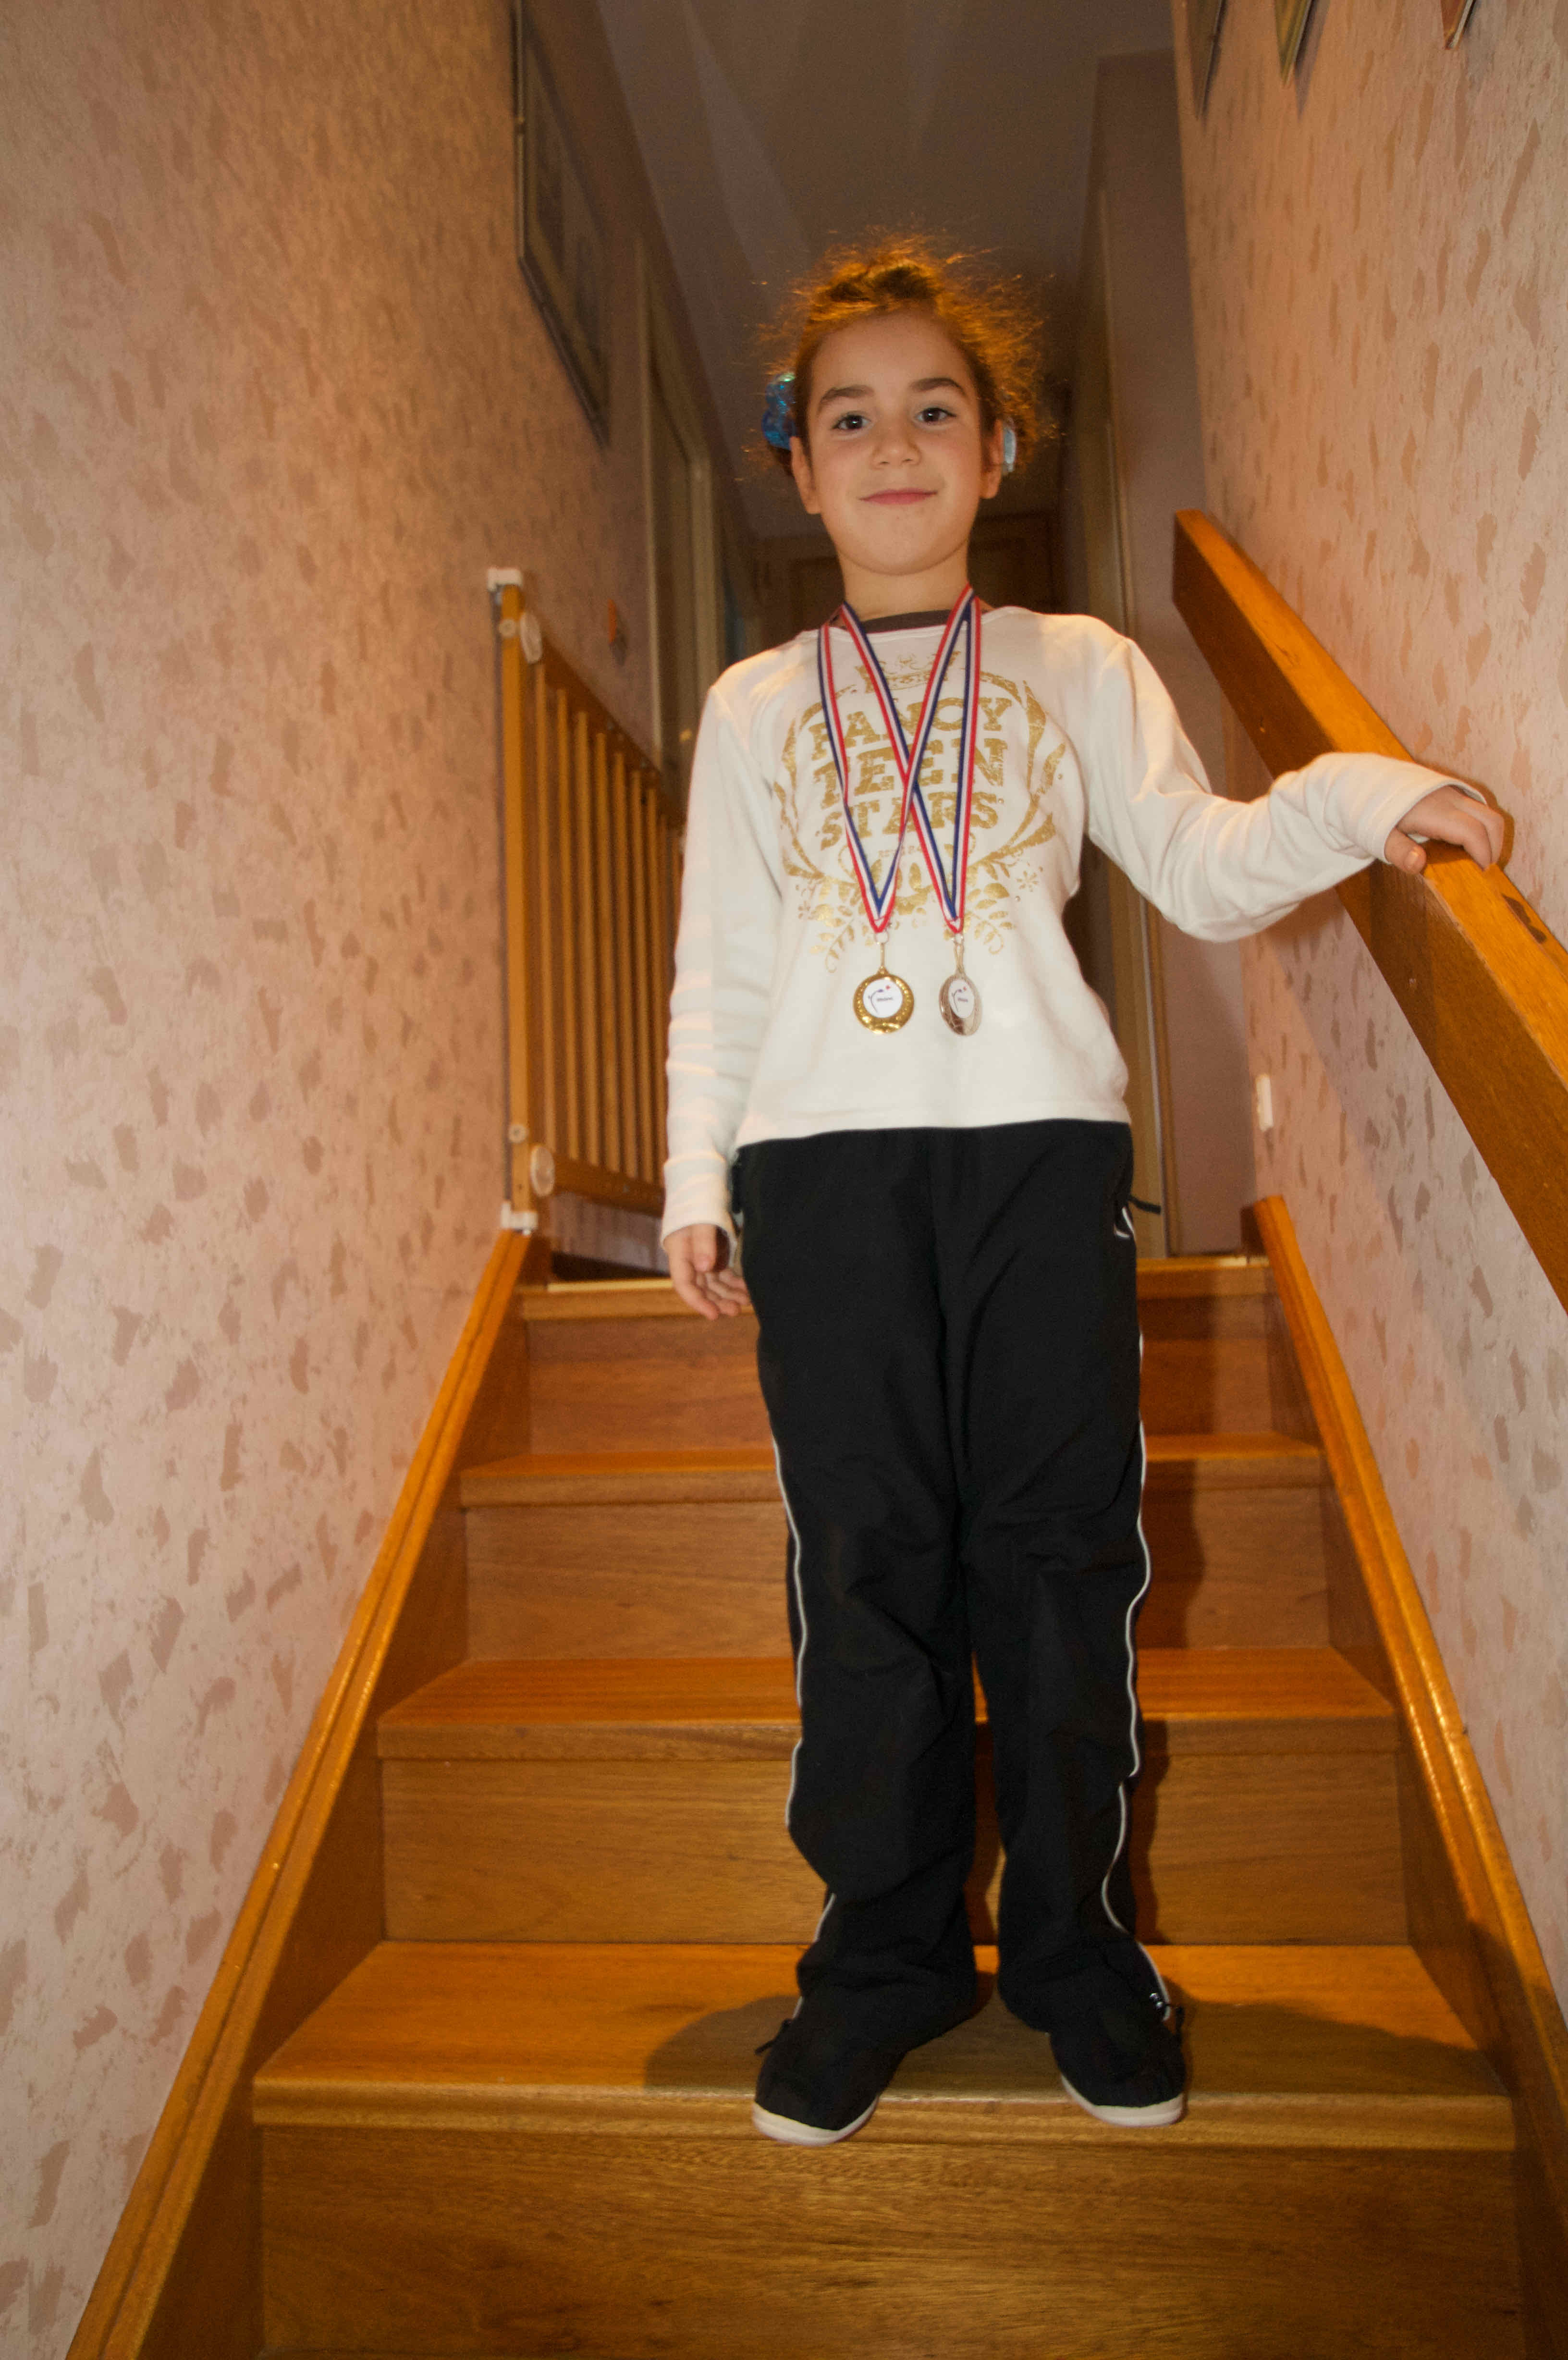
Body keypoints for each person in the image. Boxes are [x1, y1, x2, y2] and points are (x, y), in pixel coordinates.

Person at [659, 240, 1503, 2151]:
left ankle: (1072, 1947)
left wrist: (1365, 799)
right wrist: (698, 1167)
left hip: (1039, 1163)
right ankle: (881, 1958)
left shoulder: (1079, 667)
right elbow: (722, 963)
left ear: (998, 448)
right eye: (849, 418)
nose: (893, 445)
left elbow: (1199, 861)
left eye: (932, 409)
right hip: (820, 1175)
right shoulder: (752, 704)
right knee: (866, 1566)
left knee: (1060, 1556)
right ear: (799, 469)